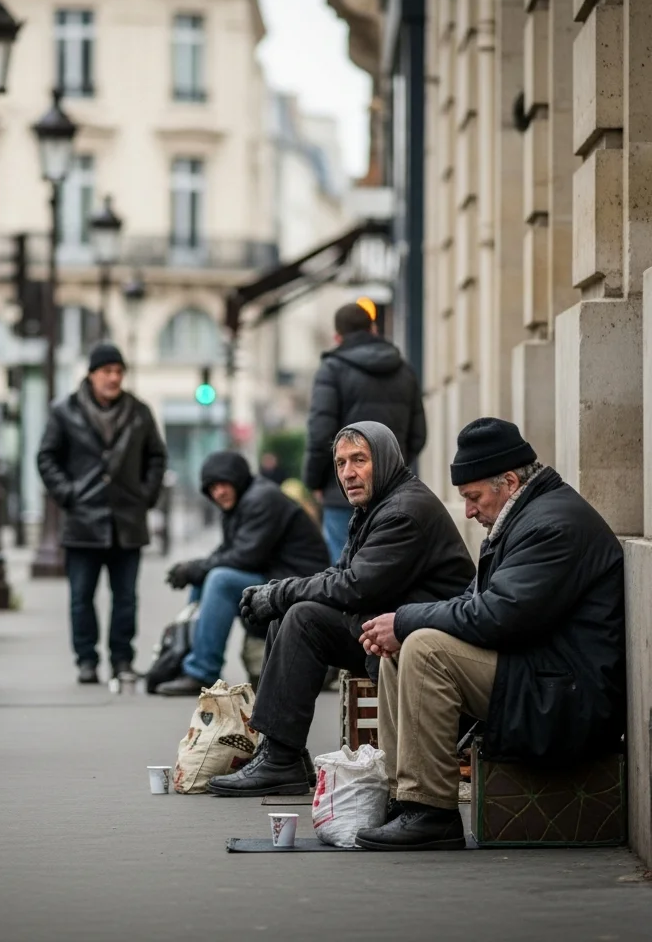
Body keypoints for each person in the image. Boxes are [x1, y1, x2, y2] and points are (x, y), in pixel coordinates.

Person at [354, 418, 625, 850]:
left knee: (423, 648)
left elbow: (500, 616)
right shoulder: (524, 518)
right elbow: (476, 601)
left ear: (509, 482)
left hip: (567, 697)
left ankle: (431, 811)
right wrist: (401, 627)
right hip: (540, 673)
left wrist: (405, 621)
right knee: (401, 648)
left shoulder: (553, 525)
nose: (468, 510)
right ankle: (401, 798)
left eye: (473, 497)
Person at [207, 420, 475, 797]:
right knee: (292, 614)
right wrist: (280, 593)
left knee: (302, 618)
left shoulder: (404, 510)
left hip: (423, 637)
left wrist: (281, 593)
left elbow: (356, 587)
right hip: (385, 624)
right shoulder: (376, 505)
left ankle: (281, 760)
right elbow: (341, 574)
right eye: (341, 463)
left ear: (384, 460)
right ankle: (281, 752)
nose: (348, 473)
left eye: (359, 460)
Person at [37, 342, 168, 684]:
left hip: (128, 521)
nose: (114, 378)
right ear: (92, 374)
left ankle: (122, 660)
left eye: (119, 372)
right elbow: (46, 457)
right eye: (107, 371)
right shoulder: (65, 411)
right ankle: (86, 660)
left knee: (126, 598)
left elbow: (157, 456)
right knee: (81, 597)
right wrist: (68, 494)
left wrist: (145, 496)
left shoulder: (139, 411)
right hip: (83, 521)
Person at [155, 451, 329, 696]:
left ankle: (202, 670)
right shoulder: (242, 501)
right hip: (276, 580)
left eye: (223, 484)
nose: (218, 493)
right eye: (212, 488)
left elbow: (246, 556)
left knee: (220, 580)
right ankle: (186, 659)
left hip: (298, 587)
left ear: (237, 479)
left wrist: (196, 568)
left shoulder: (261, 499)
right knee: (204, 578)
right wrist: (194, 569)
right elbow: (229, 551)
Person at [304, 302, 427, 564]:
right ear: (373, 329)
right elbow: (418, 435)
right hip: (393, 492)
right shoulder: (403, 369)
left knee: (343, 570)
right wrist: (389, 469)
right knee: (387, 566)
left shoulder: (332, 370)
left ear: (338, 337)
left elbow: (320, 434)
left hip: (342, 494)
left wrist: (315, 482)